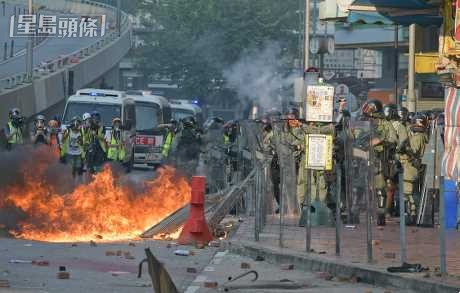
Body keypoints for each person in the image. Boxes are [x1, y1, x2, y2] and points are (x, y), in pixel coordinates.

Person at [361, 100, 397, 226]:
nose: (368, 112)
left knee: (380, 187)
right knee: (359, 187)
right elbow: (354, 136)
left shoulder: (385, 123)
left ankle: (381, 214)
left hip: (378, 158)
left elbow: (393, 139)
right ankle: (358, 212)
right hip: (361, 157)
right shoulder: (363, 122)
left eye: (370, 110)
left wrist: (379, 140)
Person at [399, 113, 429, 225]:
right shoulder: (423, 136)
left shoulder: (418, 137)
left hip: (410, 167)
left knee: (408, 193)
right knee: (412, 192)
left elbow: (414, 152)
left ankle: (411, 216)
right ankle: (412, 214)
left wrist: (405, 148)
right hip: (413, 167)